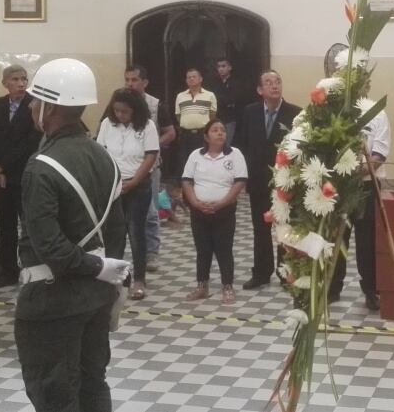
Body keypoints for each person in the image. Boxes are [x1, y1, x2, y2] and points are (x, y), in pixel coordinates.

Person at [15, 58, 131, 412]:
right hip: (97, 296)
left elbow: (49, 246)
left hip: (53, 302)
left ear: (49, 108)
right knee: (93, 384)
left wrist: (92, 267)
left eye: (35, 101)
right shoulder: (104, 158)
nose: (31, 106)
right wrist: (101, 271)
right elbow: (117, 231)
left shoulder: (41, 167)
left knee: (55, 395)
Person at [233, 70, 300, 290]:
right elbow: (240, 145)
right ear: (260, 90)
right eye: (269, 82)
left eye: (277, 81)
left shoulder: (295, 114)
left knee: (285, 227)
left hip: (285, 181)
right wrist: (242, 176)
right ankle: (261, 272)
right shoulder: (250, 112)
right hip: (258, 180)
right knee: (260, 228)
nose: (274, 85)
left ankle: (286, 272)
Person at [329, 80, 390, 311]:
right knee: (336, 237)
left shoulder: (377, 113)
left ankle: (371, 290)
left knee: (367, 241)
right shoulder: (336, 112)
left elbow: (379, 153)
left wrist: (356, 169)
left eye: (362, 83)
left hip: (366, 185)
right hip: (340, 185)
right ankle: (332, 288)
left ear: (368, 86)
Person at [0, 65, 42, 289]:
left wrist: (2, 166)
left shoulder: (34, 105)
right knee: (5, 224)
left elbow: (30, 143)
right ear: (5, 83)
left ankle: (33, 269)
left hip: (22, 174)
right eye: (15, 79)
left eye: (24, 79)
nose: (20, 83)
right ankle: (7, 270)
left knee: (29, 224)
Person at [96, 88, 159, 300]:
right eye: (117, 111)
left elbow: (150, 156)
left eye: (125, 111)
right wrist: (111, 181)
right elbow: (101, 152)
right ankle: (115, 279)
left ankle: (139, 279)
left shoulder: (147, 126)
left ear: (135, 110)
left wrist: (133, 182)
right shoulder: (107, 124)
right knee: (114, 233)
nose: (120, 115)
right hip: (113, 185)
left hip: (138, 185)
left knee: (135, 231)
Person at [181, 119, 247, 304]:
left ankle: (228, 287)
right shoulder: (195, 155)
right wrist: (195, 203)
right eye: (215, 130)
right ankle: (202, 286)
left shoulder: (235, 154)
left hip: (224, 211)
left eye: (223, 130)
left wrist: (221, 203)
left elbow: (240, 182)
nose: (220, 133)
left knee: (224, 249)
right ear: (206, 136)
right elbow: (186, 181)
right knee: (202, 250)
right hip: (199, 211)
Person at [123, 64, 175, 270]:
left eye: (134, 80)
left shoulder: (156, 105)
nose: (130, 84)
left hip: (150, 167)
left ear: (144, 82)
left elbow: (170, 133)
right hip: (124, 167)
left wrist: (151, 145)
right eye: (127, 80)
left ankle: (151, 253)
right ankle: (129, 252)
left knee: (150, 211)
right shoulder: (119, 103)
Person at [175, 67, 216, 165]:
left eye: (194, 76)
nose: (191, 79)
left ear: (200, 79)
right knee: (185, 162)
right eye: (188, 77)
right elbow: (178, 115)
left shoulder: (210, 95)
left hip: (202, 135)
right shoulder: (180, 96)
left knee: (203, 161)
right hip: (185, 135)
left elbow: (212, 115)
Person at [206, 57, 240, 145]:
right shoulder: (214, 83)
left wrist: (222, 100)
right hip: (216, 118)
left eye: (223, 66)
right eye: (219, 67)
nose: (221, 69)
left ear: (229, 67)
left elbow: (232, 100)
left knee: (226, 144)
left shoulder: (235, 82)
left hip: (230, 119)